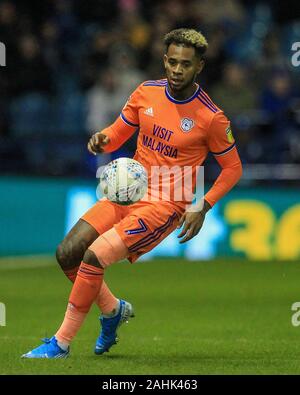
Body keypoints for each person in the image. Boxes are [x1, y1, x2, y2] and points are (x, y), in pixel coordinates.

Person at [22, 28, 242, 358]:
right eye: (172, 62)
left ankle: (61, 343)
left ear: (199, 67)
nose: (177, 70)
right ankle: (112, 311)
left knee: (94, 256)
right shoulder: (146, 93)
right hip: (128, 192)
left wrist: (204, 205)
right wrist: (103, 140)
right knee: (67, 252)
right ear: (164, 61)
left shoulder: (210, 117)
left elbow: (233, 168)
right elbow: (117, 132)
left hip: (166, 205)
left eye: (186, 64)